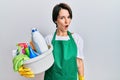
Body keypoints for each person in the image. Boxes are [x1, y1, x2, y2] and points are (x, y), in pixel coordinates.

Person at [18, 3, 85, 80]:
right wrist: (23, 66)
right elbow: (32, 54)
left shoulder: (76, 39)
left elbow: (79, 63)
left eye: (68, 17)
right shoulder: (48, 40)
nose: (67, 21)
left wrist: (81, 78)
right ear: (55, 20)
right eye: (62, 18)